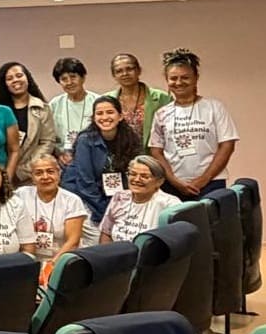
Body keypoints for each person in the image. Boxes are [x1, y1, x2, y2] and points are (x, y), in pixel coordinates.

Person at [149, 48, 239, 201]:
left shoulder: (214, 107)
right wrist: (173, 180)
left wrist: (203, 179)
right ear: (167, 80)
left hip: (211, 183)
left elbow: (227, 145)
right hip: (172, 186)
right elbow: (156, 151)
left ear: (196, 78)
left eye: (185, 77)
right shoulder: (161, 113)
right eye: (173, 78)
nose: (179, 83)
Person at [61, 96, 141, 246]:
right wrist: (106, 211)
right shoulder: (85, 140)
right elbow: (85, 183)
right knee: (99, 239)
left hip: (114, 197)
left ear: (120, 116)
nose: (104, 117)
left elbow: (132, 175)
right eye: (99, 113)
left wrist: (122, 206)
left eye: (110, 112)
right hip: (85, 197)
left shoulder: (130, 139)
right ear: (93, 118)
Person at [0, 62, 58, 186]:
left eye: (19, 75)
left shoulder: (42, 108)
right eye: (9, 78)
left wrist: (24, 170)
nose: (15, 80)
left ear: (27, 78)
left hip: (31, 175)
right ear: (4, 84)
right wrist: (7, 171)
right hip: (0, 173)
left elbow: (47, 142)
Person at [13, 155, 87, 263]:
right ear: (32, 177)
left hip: (61, 260)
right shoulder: (21, 194)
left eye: (50, 171)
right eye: (38, 173)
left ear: (59, 173)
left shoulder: (72, 201)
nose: (45, 177)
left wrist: (51, 265)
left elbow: (73, 242)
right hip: (28, 260)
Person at [99, 156, 182, 243]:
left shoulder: (170, 204)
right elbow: (106, 232)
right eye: (133, 174)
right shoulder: (120, 197)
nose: (137, 179)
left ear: (159, 181)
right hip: (117, 250)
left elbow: (176, 241)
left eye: (144, 176)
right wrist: (106, 251)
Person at [105, 53, 172, 150]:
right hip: (118, 155)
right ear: (114, 75)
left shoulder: (162, 98)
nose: (125, 74)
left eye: (129, 69)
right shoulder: (107, 100)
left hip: (153, 155)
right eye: (119, 71)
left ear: (139, 70)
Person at [48, 58, 99, 160]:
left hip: (93, 156)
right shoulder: (54, 104)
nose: (69, 82)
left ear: (83, 78)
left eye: (73, 77)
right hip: (63, 159)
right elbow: (47, 136)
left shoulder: (97, 101)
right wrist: (59, 155)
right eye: (64, 79)